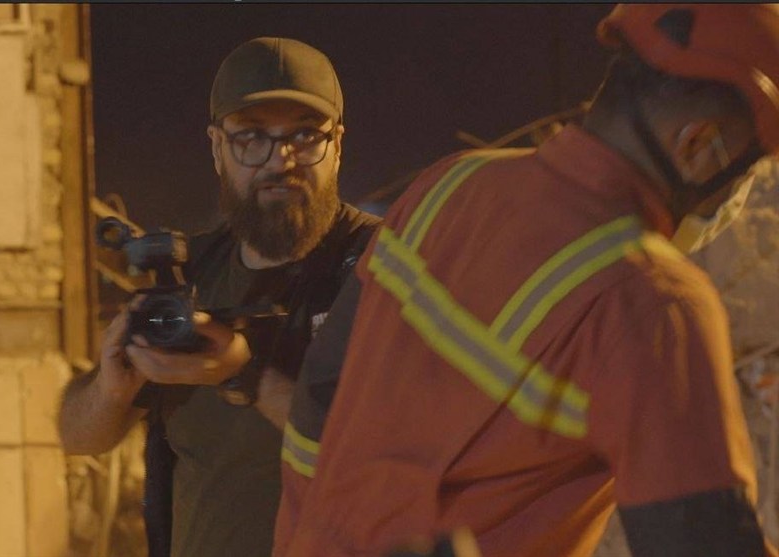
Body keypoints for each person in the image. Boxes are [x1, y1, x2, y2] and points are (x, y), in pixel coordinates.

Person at [275, 5, 779, 557]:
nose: (740, 193)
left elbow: (319, 397)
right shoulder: (650, 304)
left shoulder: (450, 183)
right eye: (748, 171)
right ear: (698, 144)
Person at [58, 37, 381, 557]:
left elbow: (384, 457)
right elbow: (77, 438)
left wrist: (244, 375)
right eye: (251, 137)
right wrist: (110, 389)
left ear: (337, 145)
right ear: (216, 148)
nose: (281, 159)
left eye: (305, 135)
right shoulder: (189, 274)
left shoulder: (380, 269)